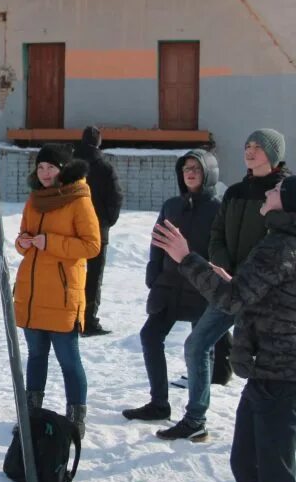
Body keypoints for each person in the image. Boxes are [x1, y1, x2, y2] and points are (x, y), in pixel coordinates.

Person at [152, 175, 296, 482]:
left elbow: (233, 301)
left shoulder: (279, 246)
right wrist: (231, 281)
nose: (268, 192)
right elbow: (255, 294)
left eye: (277, 191)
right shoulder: (279, 243)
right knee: (247, 467)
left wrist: (186, 258)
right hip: (267, 374)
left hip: (280, 378)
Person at [158, 129, 289, 441]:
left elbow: (280, 244)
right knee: (196, 345)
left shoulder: (284, 193)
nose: (250, 151)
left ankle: (271, 429)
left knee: (265, 363)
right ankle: (195, 419)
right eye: (247, 145)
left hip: (267, 295)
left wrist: (248, 275)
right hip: (229, 288)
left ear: (273, 154)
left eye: (257, 147)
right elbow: (217, 233)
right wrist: (222, 265)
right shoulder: (234, 192)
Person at [123, 150, 221, 422]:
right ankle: (159, 403)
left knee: (201, 348)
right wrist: (153, 275)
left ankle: (197, 412)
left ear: (208, 173)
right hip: (168, 287)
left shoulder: (218, 209)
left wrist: (215, 283)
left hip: (202, 288)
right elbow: (157, 242)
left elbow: (221, 249)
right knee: (150, 336)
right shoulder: (171, 205)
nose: (190, 173)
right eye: (186, 168)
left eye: (197, 169)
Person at [13, 145, 102, 437]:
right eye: (40, 168)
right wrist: (22, 243)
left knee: (68, 359)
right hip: (33, 291)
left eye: (51, 167)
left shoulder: (78, 199)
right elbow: (22, 238)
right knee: (36, 355)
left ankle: (76, 416)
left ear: (63, 169)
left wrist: (49, 242)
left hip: (63, 294)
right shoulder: (34, 199)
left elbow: (91, 246)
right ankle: (30, 412)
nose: (45, 173)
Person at [73, 126, 123, 336]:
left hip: (71, 228)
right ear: (99, 143)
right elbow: (116, 197)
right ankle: (89, 320)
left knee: (71, 274)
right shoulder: (105, 167)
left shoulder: (71, 165)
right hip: (97, 230)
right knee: (94, 277)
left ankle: (70, 317)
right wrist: (107, 222)